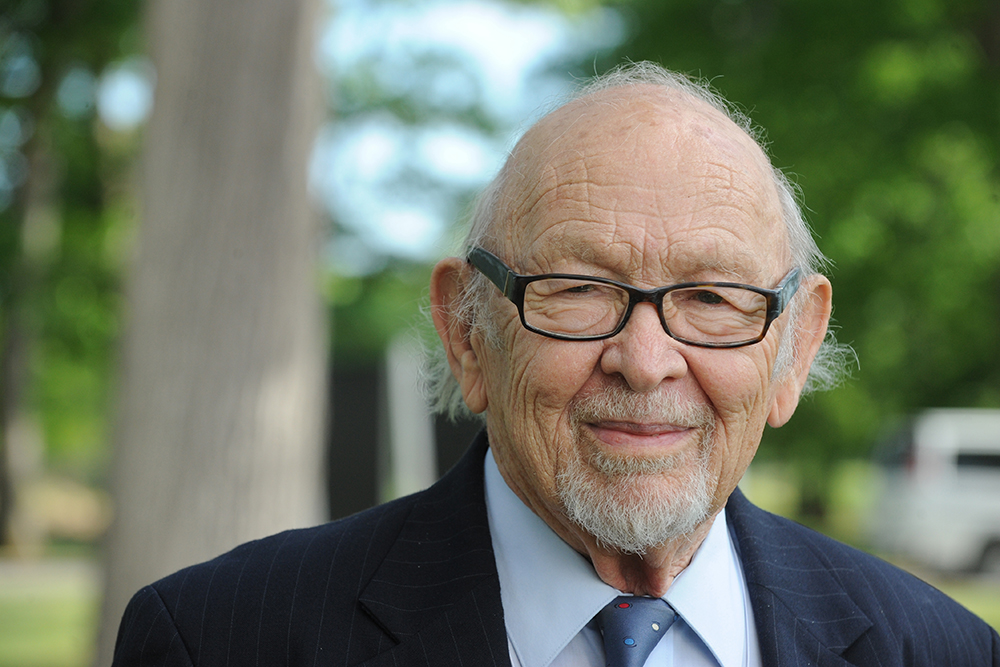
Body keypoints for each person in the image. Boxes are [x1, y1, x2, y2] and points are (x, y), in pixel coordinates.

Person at [112, 62, 1000, 666]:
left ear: (795, 347)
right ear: (467, 333)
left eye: (711, 298)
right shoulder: (220, 637)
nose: (647, 362)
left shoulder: (945, 651)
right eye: (576, 289)